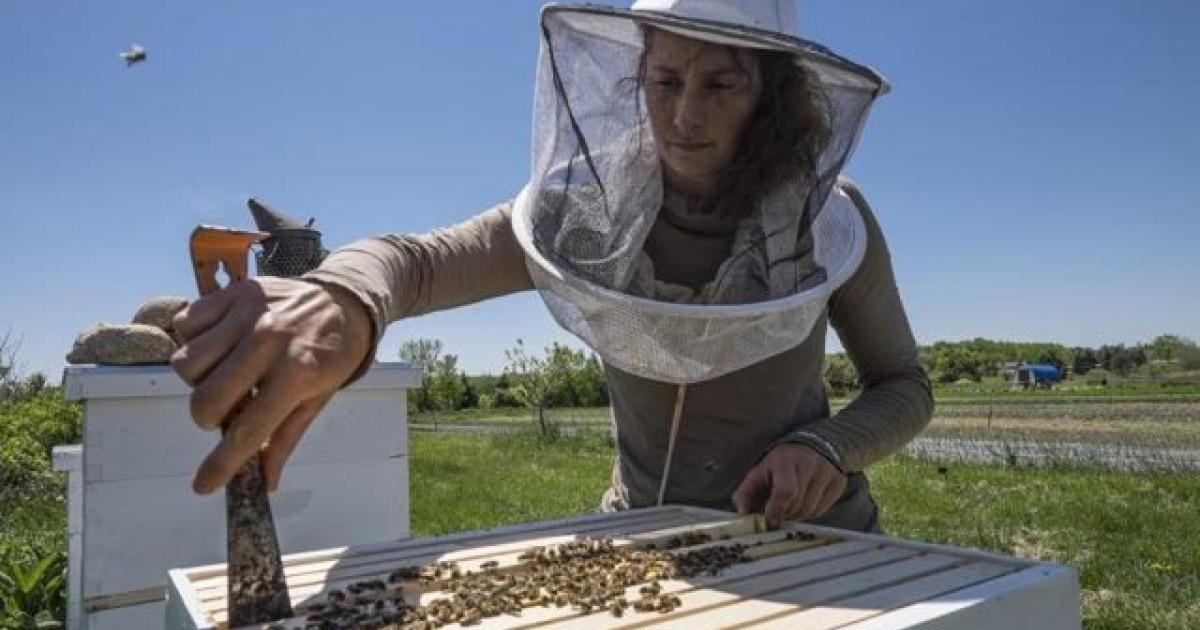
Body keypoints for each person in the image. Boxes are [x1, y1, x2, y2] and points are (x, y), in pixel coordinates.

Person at [170, 0, 932, 534]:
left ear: (771, 95)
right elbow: (423, 262)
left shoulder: (829, 219)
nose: (685, 117)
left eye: (720, 84)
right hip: (643, 532)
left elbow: (904, 385)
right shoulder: (591, 206)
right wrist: (345, 294)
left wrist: (824, 448)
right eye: (665, 82)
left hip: (810, 536)